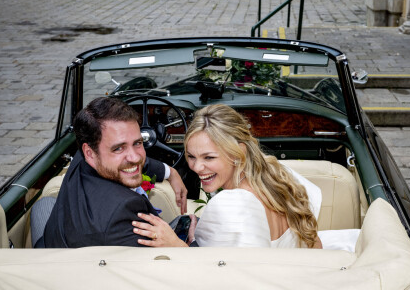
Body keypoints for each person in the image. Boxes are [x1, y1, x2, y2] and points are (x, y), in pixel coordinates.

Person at [133, 104, 358, 249]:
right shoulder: (276, 173)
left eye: (209, 158)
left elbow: (232, 278)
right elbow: (314, 245)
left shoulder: (232, 204)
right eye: (191, 156)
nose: (197, 167)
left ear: (238, 152)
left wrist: (175, 245)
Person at [40, 97, 189, 248]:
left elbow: (133, 159)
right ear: (90, 153)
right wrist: (178, 244)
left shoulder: (84, 155)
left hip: (53, 239)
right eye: (118, 148)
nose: (135, 157)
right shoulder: (121, 214)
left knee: (44, 205)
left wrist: (170, 172)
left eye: (138, 143)